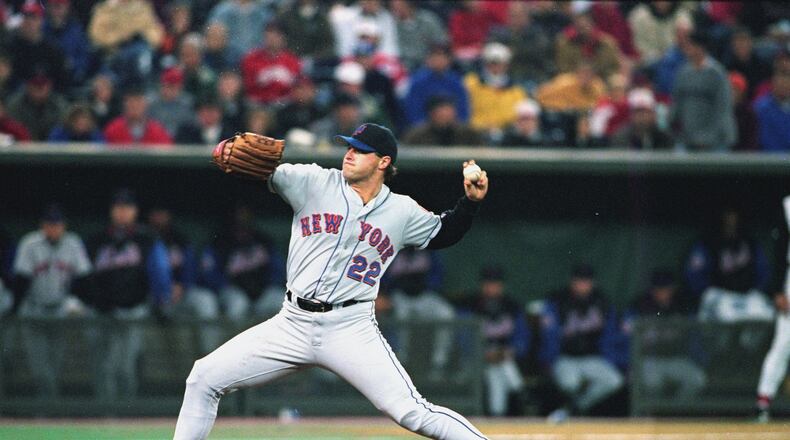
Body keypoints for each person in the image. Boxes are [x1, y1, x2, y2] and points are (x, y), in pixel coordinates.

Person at [174, 123, 490, 439]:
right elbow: (263, 173)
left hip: (351, 328)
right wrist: (233, 155)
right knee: (203, 378)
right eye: (348, 147)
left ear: (383, 162)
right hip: (292, 323)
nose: (349, 154)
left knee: (413, 412)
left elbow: (443, 232)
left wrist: (471, 203)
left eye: (359, 150)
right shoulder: (312, 181)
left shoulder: (401, 210)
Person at [83, 189, 172, 398]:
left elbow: (159, 271)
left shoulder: (146, 238)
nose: (122, 212)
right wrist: (93, 300)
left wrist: (162, 301)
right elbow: (84, 276)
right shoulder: (98, 239)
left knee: (124, 365)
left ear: (135, 211)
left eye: (127, 208)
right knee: (101, 364)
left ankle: (125, 412)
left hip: (133, 310)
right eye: (118, 208)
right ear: (112, 211)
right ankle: (104, 410)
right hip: (101, 312)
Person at [10, 204, 92, 396]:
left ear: (64, 225)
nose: (53, 228)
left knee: (56, 362)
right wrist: (15, 309)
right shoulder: (30, 243)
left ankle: (49, 405)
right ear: (42, 225)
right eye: (50, 224)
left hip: (60, 311)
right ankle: (46, 404)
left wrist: (77, 301)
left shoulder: (73, 243)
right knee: (38, 363)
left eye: (57, 224)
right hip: (34, 310)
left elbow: (84, 277)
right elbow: (21, 280)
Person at [540, 264, 623, 421]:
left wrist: (611, 359)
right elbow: (549, 336)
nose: (582, 285)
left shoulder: (602, 301)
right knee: (571, 384)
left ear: (592, 282)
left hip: (592, 358)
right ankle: (571, 411)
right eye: (579, 281)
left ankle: (574, 409)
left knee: (615, 380)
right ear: (572, 281)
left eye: (586, 281)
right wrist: (549, 361)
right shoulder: (558, 301)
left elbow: (610, 336)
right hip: (566, 358)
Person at [622, 270, 706, 400]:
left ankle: (675, 412)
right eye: (658, 288)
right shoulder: (639, 306)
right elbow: (625, 337)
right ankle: (651, 415)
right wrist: (629, 364)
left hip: (676, 358)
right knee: (652, 383)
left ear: (672, 288)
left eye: (665, 288)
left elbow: (695, 338)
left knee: (697, 379)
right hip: (649, 360)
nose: (662, 292)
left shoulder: (683, 306)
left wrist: (698, 360)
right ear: (652, 289)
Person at [463, 266, 530, 417]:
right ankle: (521, 392)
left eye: (495, 283)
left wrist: (512, 351)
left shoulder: (512, 306)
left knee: (498, 374)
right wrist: (482, 354)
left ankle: (497, 414)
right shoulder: (471, 306)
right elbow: (464, 340)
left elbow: (522, 339)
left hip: (504, 357)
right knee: (501, 370)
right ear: (482, 285)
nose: (492, 287)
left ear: (501, 285)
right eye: (488, 283)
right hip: (478, 360)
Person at [687, 207, 774, 323]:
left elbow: (764, 271)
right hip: (719, 296)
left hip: (747, 296)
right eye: (727, 217)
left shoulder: (750, 243)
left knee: (767, 314)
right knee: (725, 315)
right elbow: (694, 274)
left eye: (734, 218)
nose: (731, 222)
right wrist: (708, 292)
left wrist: (757, 290)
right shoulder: (707, 243)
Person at [199, 205, 285, 320]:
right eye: (238, 218)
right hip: (234, 292)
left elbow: (278, 270)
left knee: (284, 301)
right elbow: (209, 275)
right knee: (238, 305)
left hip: (262, 292)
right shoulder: (219, 244)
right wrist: (231, 286)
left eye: (245, 218)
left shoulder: (263, 241)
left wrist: (265, 284)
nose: (242, 221)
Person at [381, 247, 454, 381]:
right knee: (401, 316)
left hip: (424, 296)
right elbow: (383, 278)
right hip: (399, 297)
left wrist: (421, 283)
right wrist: (386, 293)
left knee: (445, 314)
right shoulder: (392, 249)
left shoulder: (429, 251)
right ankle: (402, 361)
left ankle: (439, 363)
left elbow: (439, 277)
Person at [670, 30, 736, 151]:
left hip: (715, 142)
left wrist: (710, 137)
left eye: (689, 45)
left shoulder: (717, 73)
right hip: (688, 140)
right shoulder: (683, 73)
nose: (686, 48)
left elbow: (723, 108)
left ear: (701, 47)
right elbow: (677, 105)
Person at [756, 196, 790, 422]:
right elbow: (778, 248)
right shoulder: (788, 205)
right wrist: (778, 289)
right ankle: (764, 400)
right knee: (783, 341)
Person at [104, 87, 173, 146]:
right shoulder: (113, 129)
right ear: (125, 105)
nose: (135, 107)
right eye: (131, 104)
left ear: (145, 105)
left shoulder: (158, 131)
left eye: (138, 103)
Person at [402, 95, 480, 146]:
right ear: (431, 114)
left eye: (449, 113)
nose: (445, 117)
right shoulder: (416, 136)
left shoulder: (469, 134)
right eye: (441, 113)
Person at [148, 68, 195, 138]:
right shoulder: (152, 103)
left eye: (173, 86)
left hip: (181, 142)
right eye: (167, 86)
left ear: (180, 87)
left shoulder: (187, 103)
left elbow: (191, 126)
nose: (170, 90)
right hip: (157, 141)